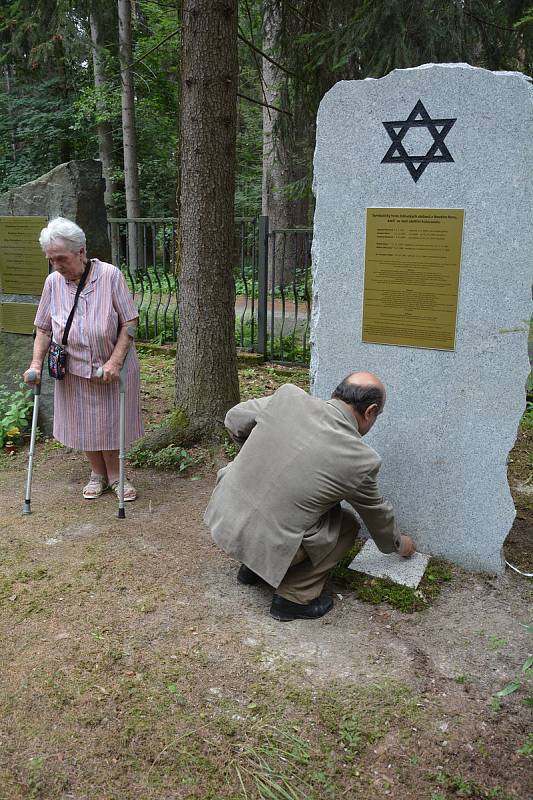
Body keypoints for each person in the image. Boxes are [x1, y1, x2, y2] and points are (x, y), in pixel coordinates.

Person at [204, 371, 415, 622]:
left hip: (223, 516)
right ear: (370, 412)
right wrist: (399, 544)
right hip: (264, 539)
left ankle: (253, 570)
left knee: (298, 504)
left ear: (338, 392)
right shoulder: (360, 459)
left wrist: (255, 449)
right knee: (346, 525)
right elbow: (376, 515)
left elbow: (234, 419)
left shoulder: (289, 397)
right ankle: (293, 598)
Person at [23, 217, 143, 501]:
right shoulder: (53, 282)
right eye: (51, 260)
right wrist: (36, 364)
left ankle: (117, 475)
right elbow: (43, 327)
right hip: (72, 367)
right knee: (84, 422)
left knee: (111, 421)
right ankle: (97, 474)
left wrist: (115, 362)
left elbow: (130, 322)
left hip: (110, 366)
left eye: (61, 258)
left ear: (81, 251)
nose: (57, 265)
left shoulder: (110, 276)